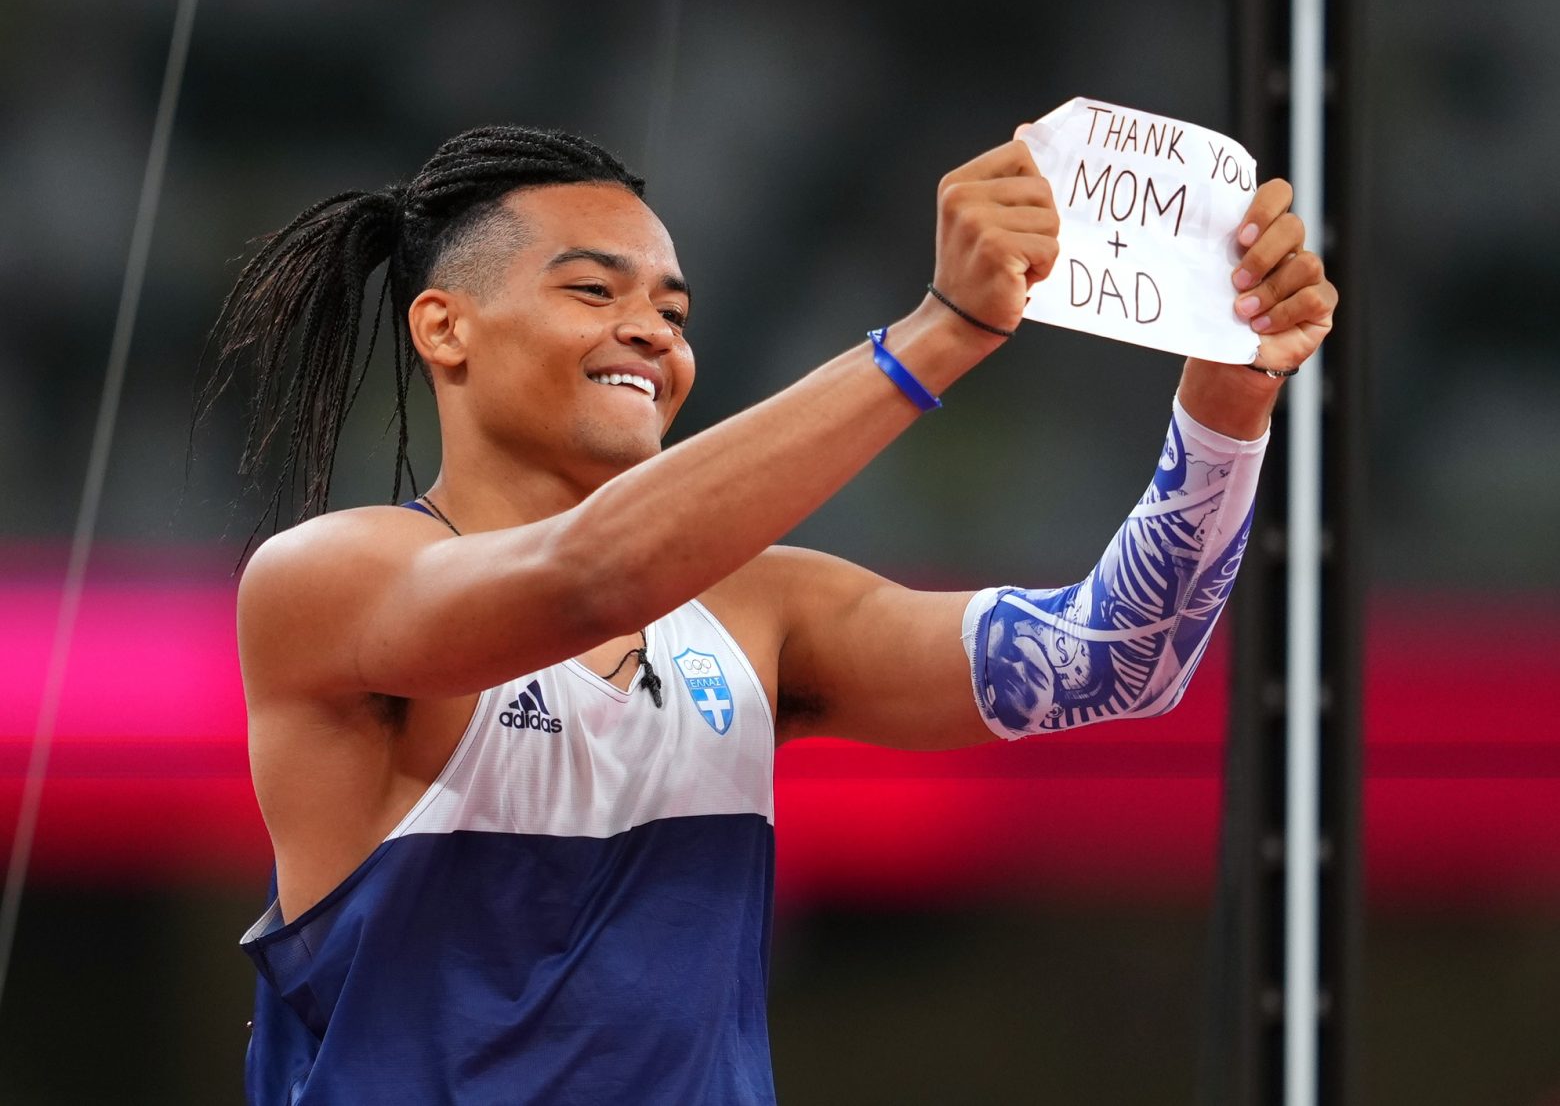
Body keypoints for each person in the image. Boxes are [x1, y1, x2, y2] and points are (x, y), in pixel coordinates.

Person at [209, 125, 1335, 1105]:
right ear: (444, 327)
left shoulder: (761, 610)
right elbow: (587, 579)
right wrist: (943, 328)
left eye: (673, 310)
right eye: (595, 293)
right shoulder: (328, 581)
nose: (652, 331)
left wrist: (1228, 402)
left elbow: (1117, 658)